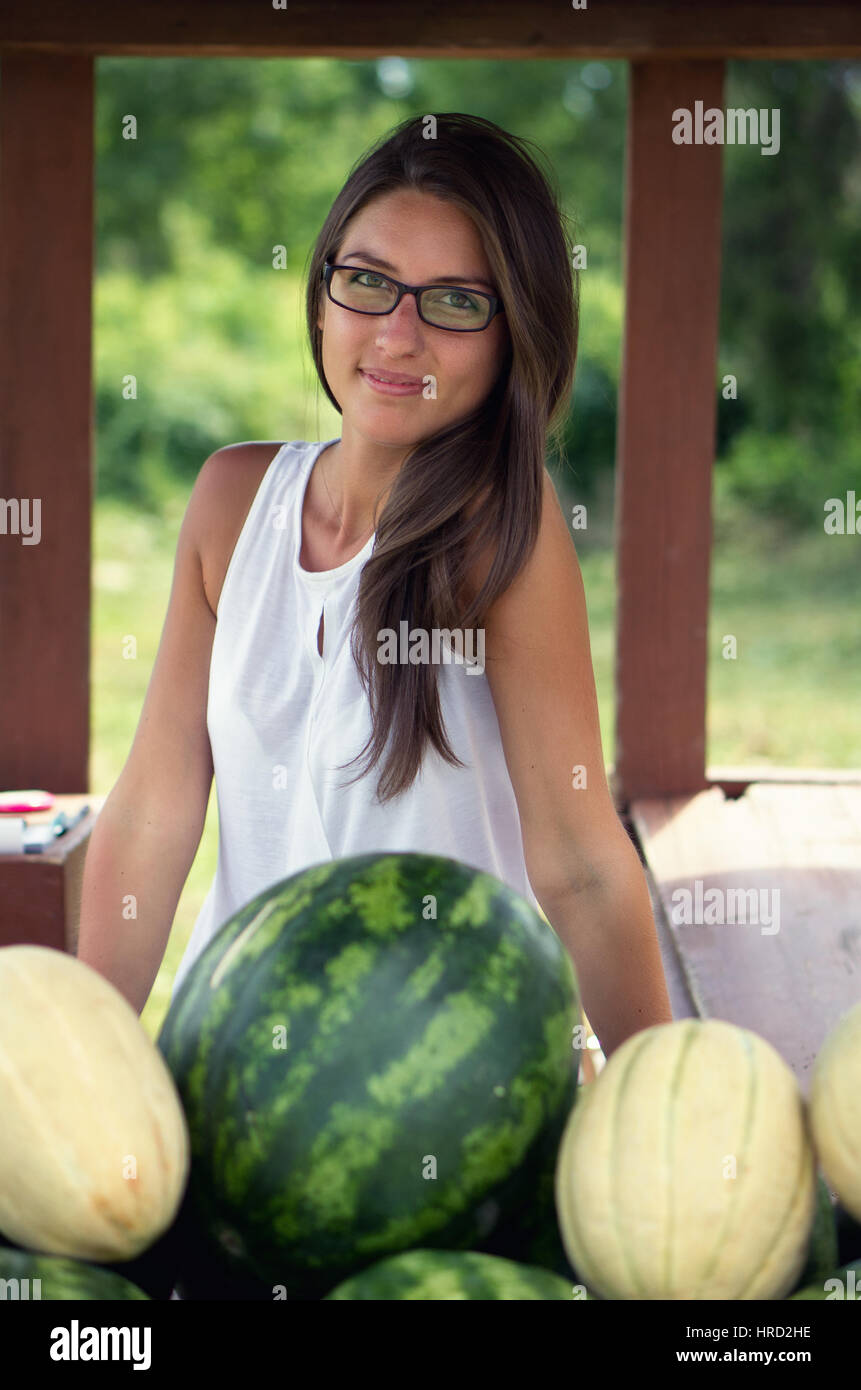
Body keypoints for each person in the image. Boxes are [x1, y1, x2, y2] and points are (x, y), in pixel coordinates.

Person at [77, 112, 673, 1056]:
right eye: (367, 283)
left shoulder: (502, 541)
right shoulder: (232, 502)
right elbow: (152, 812)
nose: (397, 336)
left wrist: (662, 1093)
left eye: (453, 302)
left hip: (439, 1092)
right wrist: (84, 1058)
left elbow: (578, 862)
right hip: (236, 1064)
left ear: (512, 333)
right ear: (321, 296)